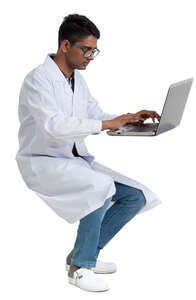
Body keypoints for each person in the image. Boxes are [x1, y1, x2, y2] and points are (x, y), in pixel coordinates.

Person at [15, 14, 162, 292]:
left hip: (72, 160)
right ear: (66, 45)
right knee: (100, 187)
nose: (91, 56)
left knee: (135, 196)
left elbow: (93, 113)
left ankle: (86, 254)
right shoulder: (38, 79)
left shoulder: (75, 80)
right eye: (87, 49)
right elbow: (53, 125)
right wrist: (107, 124)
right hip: (42, 162)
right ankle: (80, 268)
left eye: (94, 50)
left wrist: (127, 118)